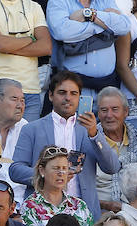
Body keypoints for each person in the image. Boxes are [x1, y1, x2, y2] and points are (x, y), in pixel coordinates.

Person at [13, 71, 122, 214]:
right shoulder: (32, 129)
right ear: (51, 96)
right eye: (62, 92)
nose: (68, 98)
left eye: (73, 93)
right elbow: (15, 170)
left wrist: (95, 135)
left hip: (82, 213)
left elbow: (113, 167)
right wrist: (46, 176)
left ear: (80, 97)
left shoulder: (90, 130)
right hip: (42, 212)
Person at [47, 0, 134, 95]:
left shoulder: (105, 0)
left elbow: (124, 26)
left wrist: (89, 15)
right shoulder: (58, 1)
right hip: (73, 89)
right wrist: (104, 24)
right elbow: (62, 32)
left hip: (107, 86)